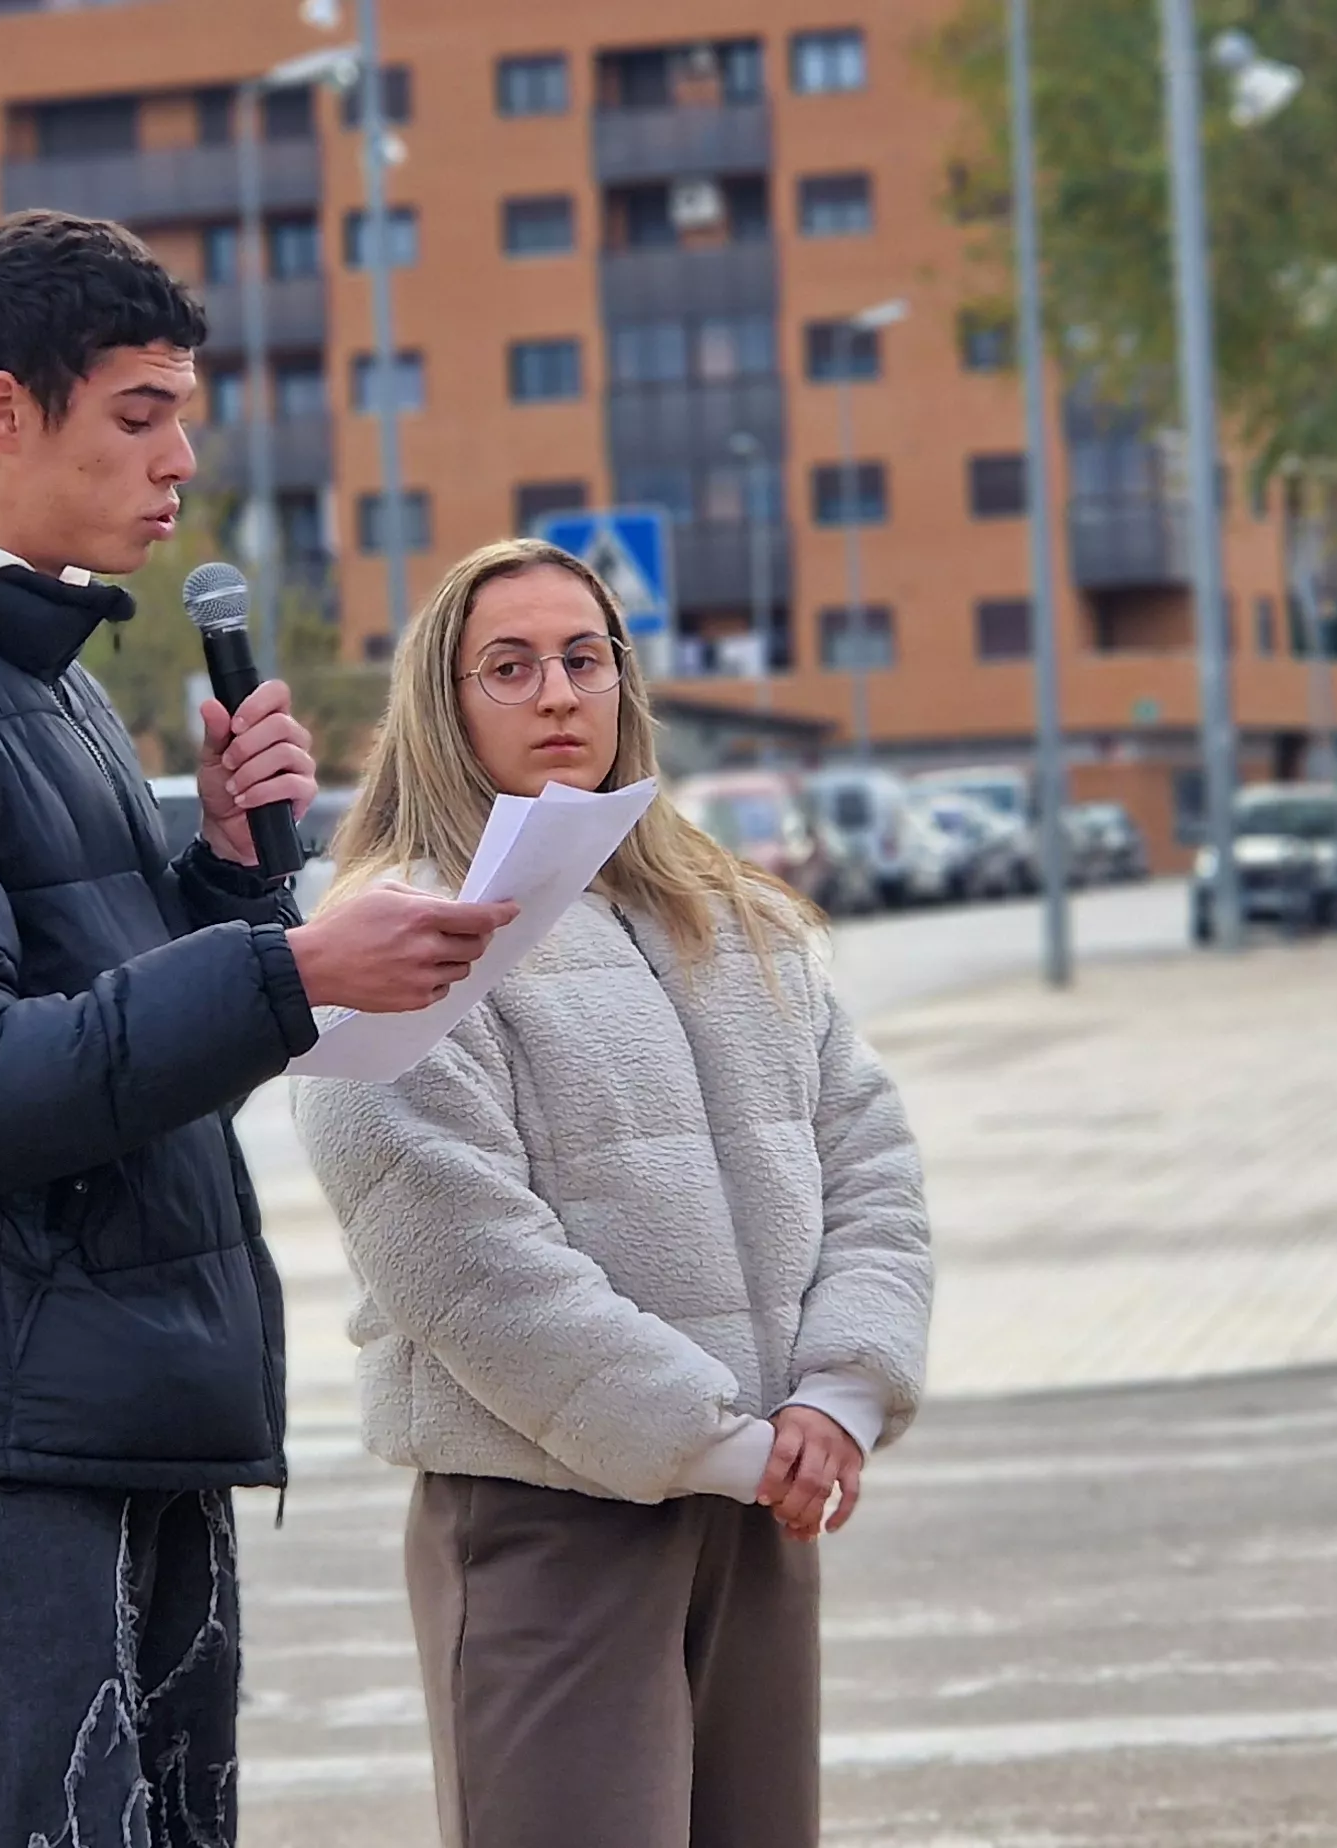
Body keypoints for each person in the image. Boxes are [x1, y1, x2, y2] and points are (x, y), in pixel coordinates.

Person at [0, 210, 520, 1848]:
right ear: (5, 412)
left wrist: (220, 872)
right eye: (138, 414)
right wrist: (290, 973)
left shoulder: (45, 674)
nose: (179, 459)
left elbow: (102, 1031)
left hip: (114, 1410)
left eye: (182, 415)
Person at [293, 538, 936, 1848]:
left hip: (759, 1510)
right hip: (550, 1528)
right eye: (510, 666)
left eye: (585, 659)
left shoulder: (726, 914)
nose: (557, 694)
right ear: (445, 701)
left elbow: (871, 1158)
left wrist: (840, 1394)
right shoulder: (398, 931)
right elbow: (463, 1258)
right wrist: (727, 1443)